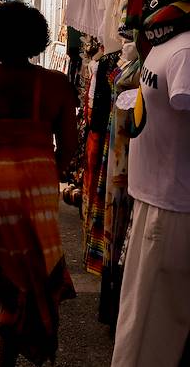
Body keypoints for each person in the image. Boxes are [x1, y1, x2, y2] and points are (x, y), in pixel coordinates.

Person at [0, 2, 78, 367]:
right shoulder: (56, 84)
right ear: (37, 38)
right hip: (34, 184)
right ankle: (8, 360)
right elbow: (68, 146)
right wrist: (46, 169)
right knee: (23, 277)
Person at [110, 26, 190, 366]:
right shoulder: (182, 51)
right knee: (152, 326)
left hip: (163, 201)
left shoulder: (168, 45)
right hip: (169, 207)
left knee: (145, 320)